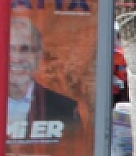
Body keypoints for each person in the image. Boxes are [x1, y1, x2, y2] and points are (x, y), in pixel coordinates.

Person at [8, 14, 82, 142]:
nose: (17, 58)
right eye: (9, 49)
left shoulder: (65, 109)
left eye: (25, 49)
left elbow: (75, 153)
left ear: (39, 56)